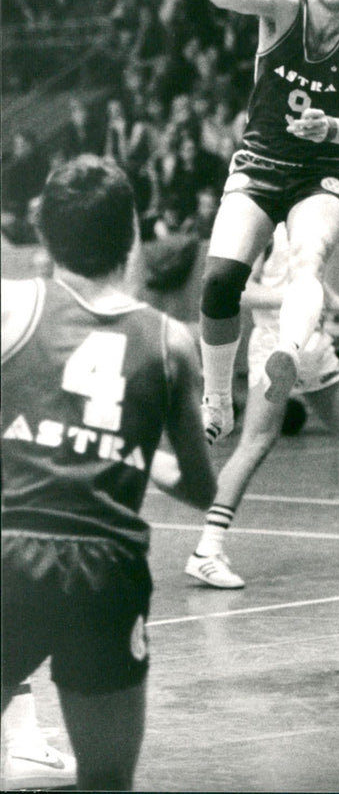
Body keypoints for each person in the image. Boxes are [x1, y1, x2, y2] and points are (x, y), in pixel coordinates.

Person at [1, 155, 216, 789]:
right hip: (106, 571)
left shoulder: (12, 307)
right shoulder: (172, 342)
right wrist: (125, 452)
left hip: (11, 557)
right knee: (106, 780)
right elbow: (205, 490)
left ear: (44, 233)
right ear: (131, 238)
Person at [198, 0, 339, 444]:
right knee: (219, 280)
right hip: (259, 164)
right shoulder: (283, 7)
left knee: (308, 260)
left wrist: (330, 126)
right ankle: (216, 396)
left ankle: (288, 350)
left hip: (319, 172)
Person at [186, 224, 339, 588]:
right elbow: (241, 292)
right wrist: (294, 299)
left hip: (314, 346)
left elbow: (310, 278)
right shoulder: (261, 225)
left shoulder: (312, 219)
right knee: (255, 443)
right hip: (274, 343)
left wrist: (333, 302)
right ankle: (206, 551)